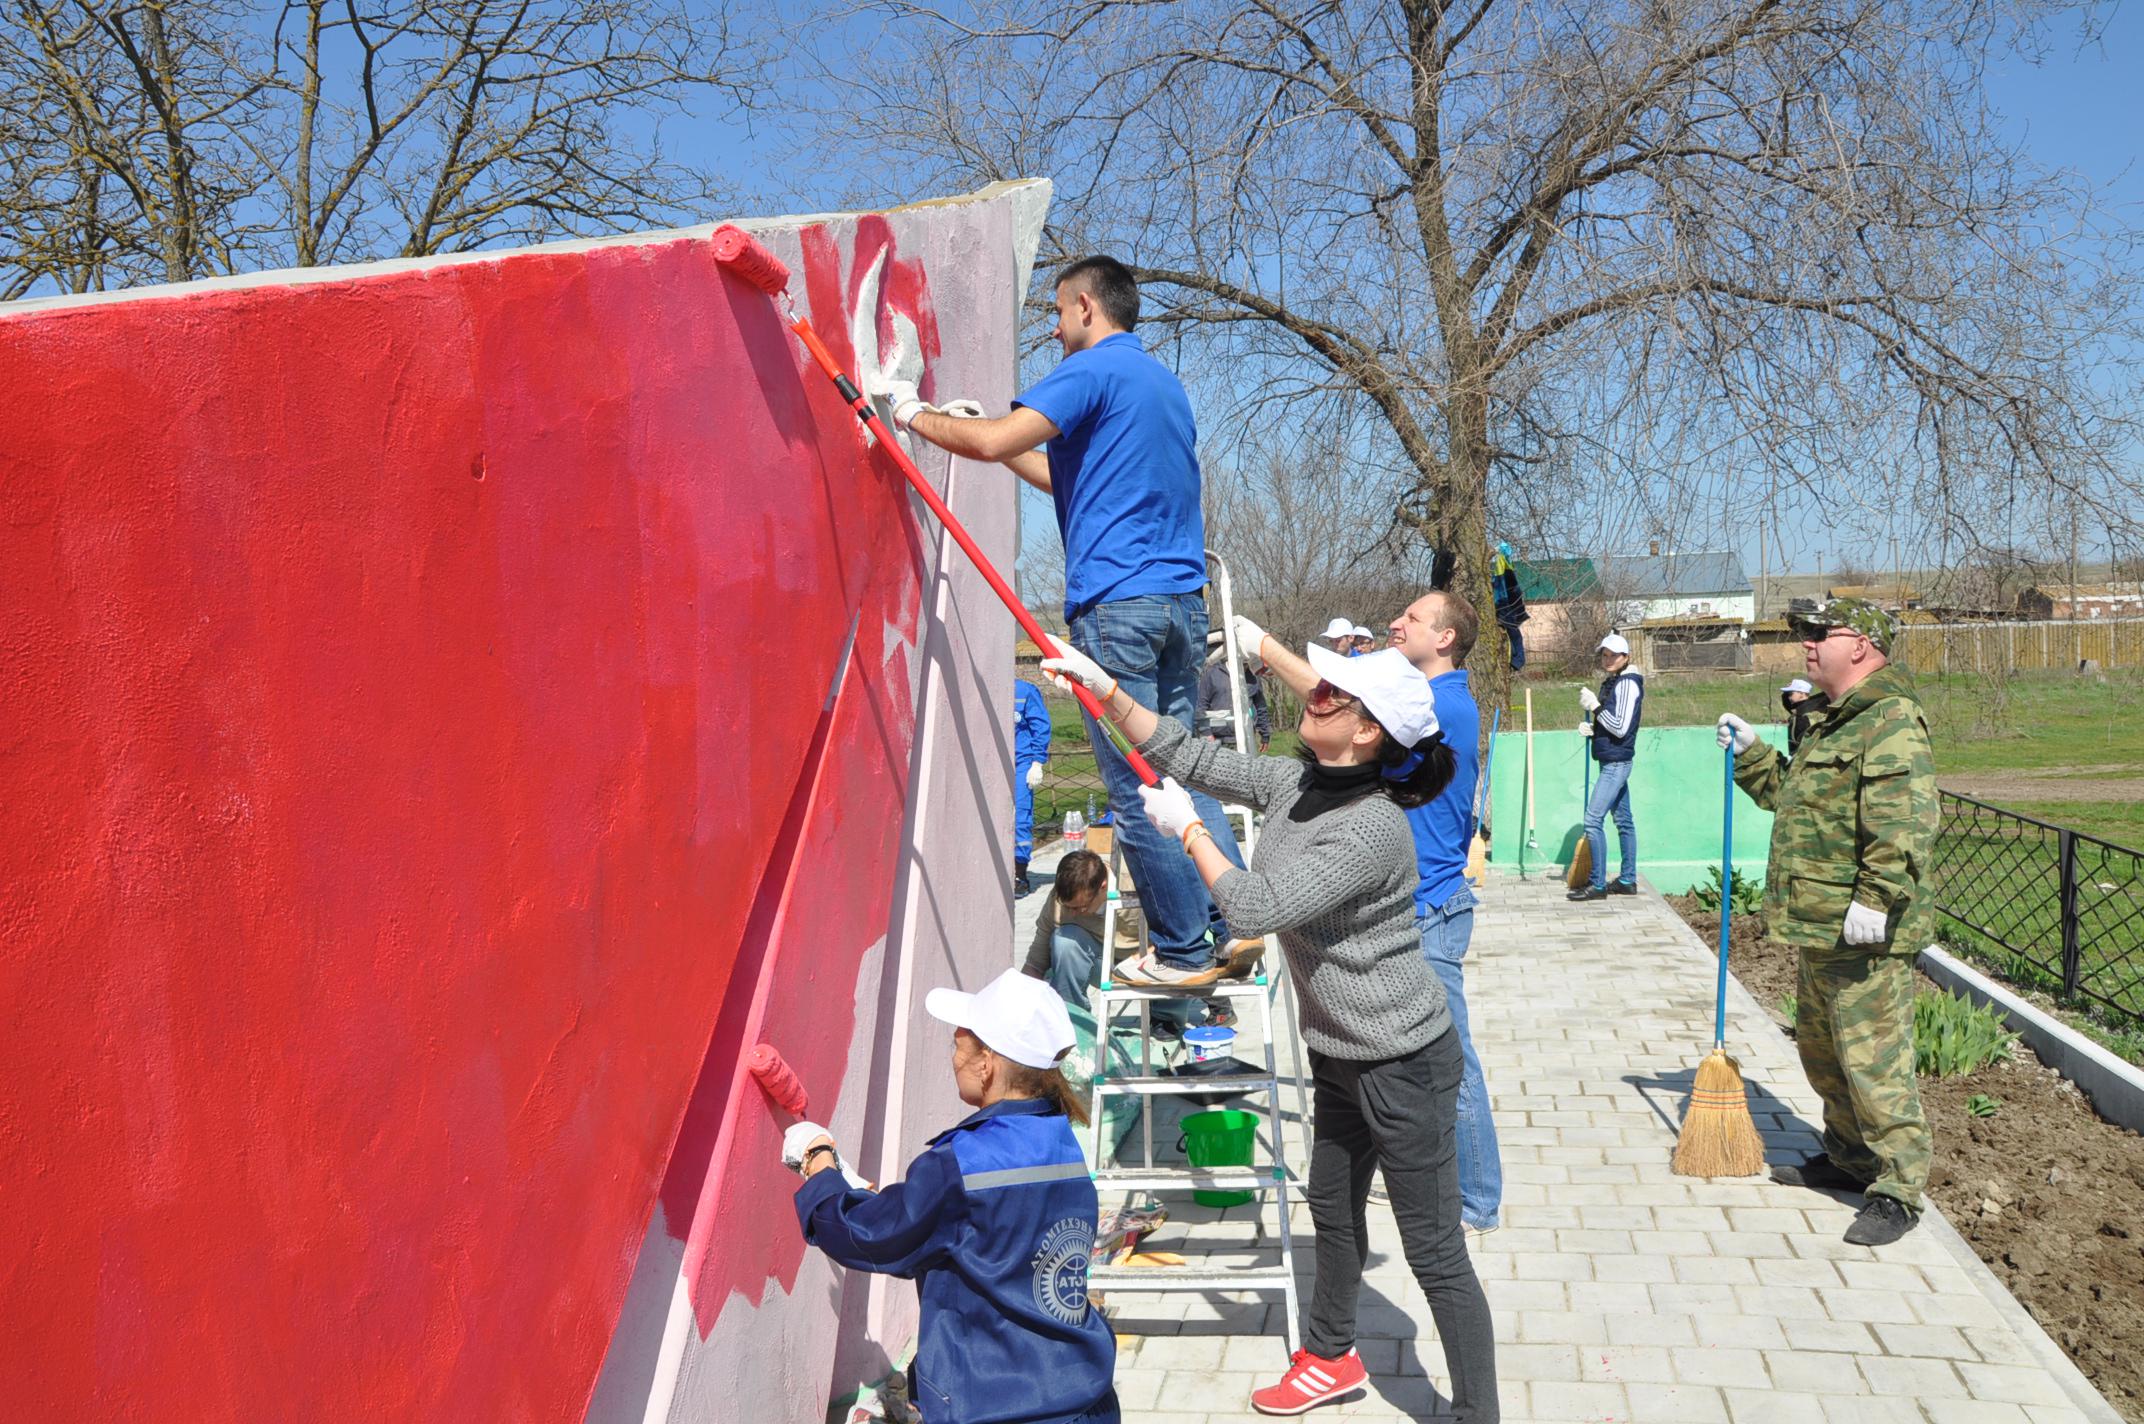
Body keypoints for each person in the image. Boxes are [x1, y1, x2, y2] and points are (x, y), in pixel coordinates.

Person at [1041, 640, 1498, 1421]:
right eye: (1322, 685)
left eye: (1334, 696)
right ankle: (1331, 1357)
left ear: (1369, 732)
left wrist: (1190, 833)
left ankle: (1477, 1410)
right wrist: (1107, 688)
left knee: (1434, 1252)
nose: (1314, 693)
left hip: (1404, 1061)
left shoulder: (1373, 829)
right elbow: (1184, 752)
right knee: (1330, 1204)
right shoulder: (1296, 782)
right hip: (1339, 1051)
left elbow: (1254, 908)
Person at [881, 255, 1244, 987]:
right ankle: (1239, 919)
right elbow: (1059, 474)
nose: (1053, 327)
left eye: (1057, 312)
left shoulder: (1093, 369)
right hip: (1178, 607)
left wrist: (910, 414)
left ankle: (1181, 948)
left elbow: (987, 447)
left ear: (1086, 304)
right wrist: (997, 432)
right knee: (1179, 768)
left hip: (1119, 611)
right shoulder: (1161, 385)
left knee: (1137, 788)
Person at [1240, 596, 1503, 1234]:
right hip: (1418, 904)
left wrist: (1265, 647)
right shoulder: (1426, 695)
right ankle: (1426, 1178)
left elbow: (1350, 707)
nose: (1395, 624)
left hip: (1431, 909)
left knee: (1451, 1064)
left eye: (1411, 620)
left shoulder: (1444, 707)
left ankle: (1473, 1203)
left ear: (1444, 638)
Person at [787, 969, 1120, 1424]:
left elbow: (865, 1237)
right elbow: (982, 1233)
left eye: (958, 1045)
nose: (954, 1059)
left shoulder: (958, 1164)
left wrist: (819, 1165)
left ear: (987, 1063)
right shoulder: (1059, 1137)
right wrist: (892, 1205)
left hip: (999, 1406)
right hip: (1081, 1397)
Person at [1716, 597, 1937, 1248]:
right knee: (1824, 1055)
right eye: (1804, 635)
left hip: (1866, 929)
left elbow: (1903, 825)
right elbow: (1791, 802)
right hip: (1820, 925)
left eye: (1820, 634)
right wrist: (1755, 752)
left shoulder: (1890, 720)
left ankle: (1898, 1189)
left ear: (1863, 646)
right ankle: (1847, 1158)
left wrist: (1877, 898)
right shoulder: (1830, 721)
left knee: (1875, 1064)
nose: (1807, 645)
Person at [1570, 632, 1644, 902]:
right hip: (1613, 759)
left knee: (1592, 820)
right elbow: (1613, 724)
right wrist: (1595, 729)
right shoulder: (1615, 682)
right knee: (1624, 821)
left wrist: (1596, 707)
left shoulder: (1626, 684)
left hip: (1616, 763)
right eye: (1605, 654)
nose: (1608, 659)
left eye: (1614, 655)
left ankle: (1598, 884)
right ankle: (1627, 880)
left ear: (1626, 657)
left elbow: (1621, 728)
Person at [1020, 849, 1144, 1007]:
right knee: (1064, 941)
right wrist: (1021, 1001)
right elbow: (1036, 961)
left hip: (1144, 962)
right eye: (1068, 907)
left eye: (1080, 908)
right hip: (1101, 964)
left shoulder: (1135, 882)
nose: (1072, 913)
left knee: (1176, 955)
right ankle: (1072, 1016)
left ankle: (1165, 1019)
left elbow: (1177, 931)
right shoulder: (1058, 900)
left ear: (1103, 887)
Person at [1196, 631, 1273, 749]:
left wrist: (1265, 734)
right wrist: (1206, 732)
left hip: (1246, 738)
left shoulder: (1253, 677)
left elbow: (1260, 706)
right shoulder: (1212, 673)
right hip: (1217, 741)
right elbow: (1200, 705)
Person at [1013, 677, 1053, 897]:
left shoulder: (1024, 691)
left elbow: (1041, 726)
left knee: (1021, 816)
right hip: (992, 763)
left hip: (1022, 763)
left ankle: (1020, 874)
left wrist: (1037, 762)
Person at [1779, 677, 1822, 758]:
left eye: (1791, 694)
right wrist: (1786, 692)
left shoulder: (1807, 711)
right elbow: (1787, 704)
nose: (1789, 697)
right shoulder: (1800, 707)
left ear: (1802, 694)